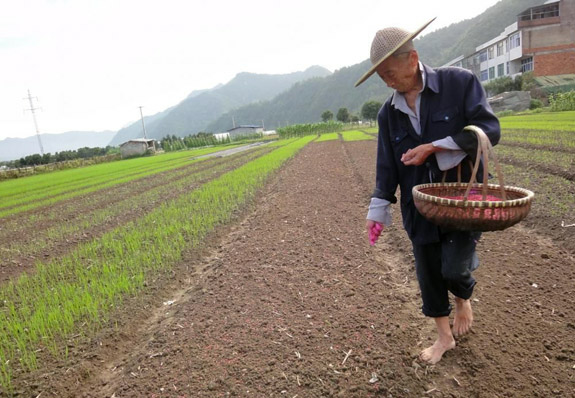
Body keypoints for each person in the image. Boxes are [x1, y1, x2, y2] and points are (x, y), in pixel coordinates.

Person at [355, 18, 500, 364]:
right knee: (428, 273)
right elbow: (387, 165)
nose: (388, 81)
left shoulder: (459, 83)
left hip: (462, 200)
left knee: (453, 269)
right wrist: (377, 211)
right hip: (418, 207)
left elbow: (488, 130)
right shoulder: (388, 114)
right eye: (381, 77)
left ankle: (463, 297)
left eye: (391, 72)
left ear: (412, 58)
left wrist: (435, 146)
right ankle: (443, 337)